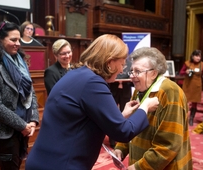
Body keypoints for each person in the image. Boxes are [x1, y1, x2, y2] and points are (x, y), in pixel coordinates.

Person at [25, 34, 159, 170]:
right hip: (61, 163)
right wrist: (145, 107)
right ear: (109, 61)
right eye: (122, 64)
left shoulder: (77, 73)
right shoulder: (93, 83)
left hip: (45, 159)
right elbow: (123, 132)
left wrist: (121, 116)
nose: (121, 70)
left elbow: (83, 119)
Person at [114, 47, 192, 170]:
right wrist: (121, 148)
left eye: (137, 71)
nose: (132, 76)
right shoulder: (140, 90)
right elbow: (133, 125)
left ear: (154, 73)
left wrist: (139, 167)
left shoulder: (170, 92)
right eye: (131, 71)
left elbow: (169, 144)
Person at [0, 21, 39, 170]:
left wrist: (33, 119)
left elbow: (31, 92)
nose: (18, 43)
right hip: (4, 131)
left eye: (19, 39)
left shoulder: (20, 62)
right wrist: (22, 125)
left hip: (23, 127)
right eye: (13, 40)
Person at [179, 49, 203, 126]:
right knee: (185, 101)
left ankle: (191, 118)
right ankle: (183, 117)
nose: (198, 58)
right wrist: (186, 72)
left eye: (199, 56)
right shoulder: (187, 63)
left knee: (194, 102)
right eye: (196, 56)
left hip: (197, 85)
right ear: (192, 56)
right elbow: (181, 72)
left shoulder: (202, 64)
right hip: (188, 84)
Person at [108, 58, 132, 148]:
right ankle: (112, 140)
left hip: (125, 93)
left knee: (126, 116)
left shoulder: (130, 63)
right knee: (112, 115)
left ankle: (124, 139)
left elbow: (132, 80)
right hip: (113, 92)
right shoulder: (113, 62)